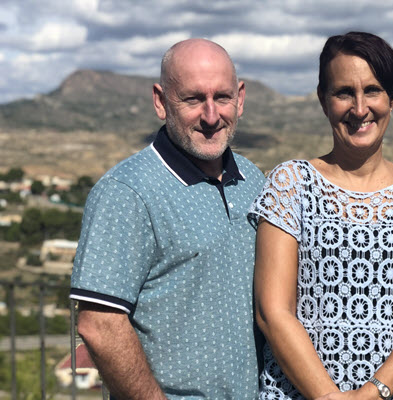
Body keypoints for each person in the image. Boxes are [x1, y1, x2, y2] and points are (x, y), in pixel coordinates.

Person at [250, 32, 393, 400]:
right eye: (344, 92)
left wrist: (373, 393)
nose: (360, 109)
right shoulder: (291, 184)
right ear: (323, 100)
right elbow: (273, 312)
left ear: (391, 99)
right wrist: (329, 396)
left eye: (372, 91)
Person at [70, 38, 265, 399]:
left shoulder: (252, 180)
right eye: (192, 99)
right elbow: (98, 324)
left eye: (222, 97)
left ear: (240, 98)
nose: (211, 116)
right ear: (160, 102)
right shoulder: (127, 192)